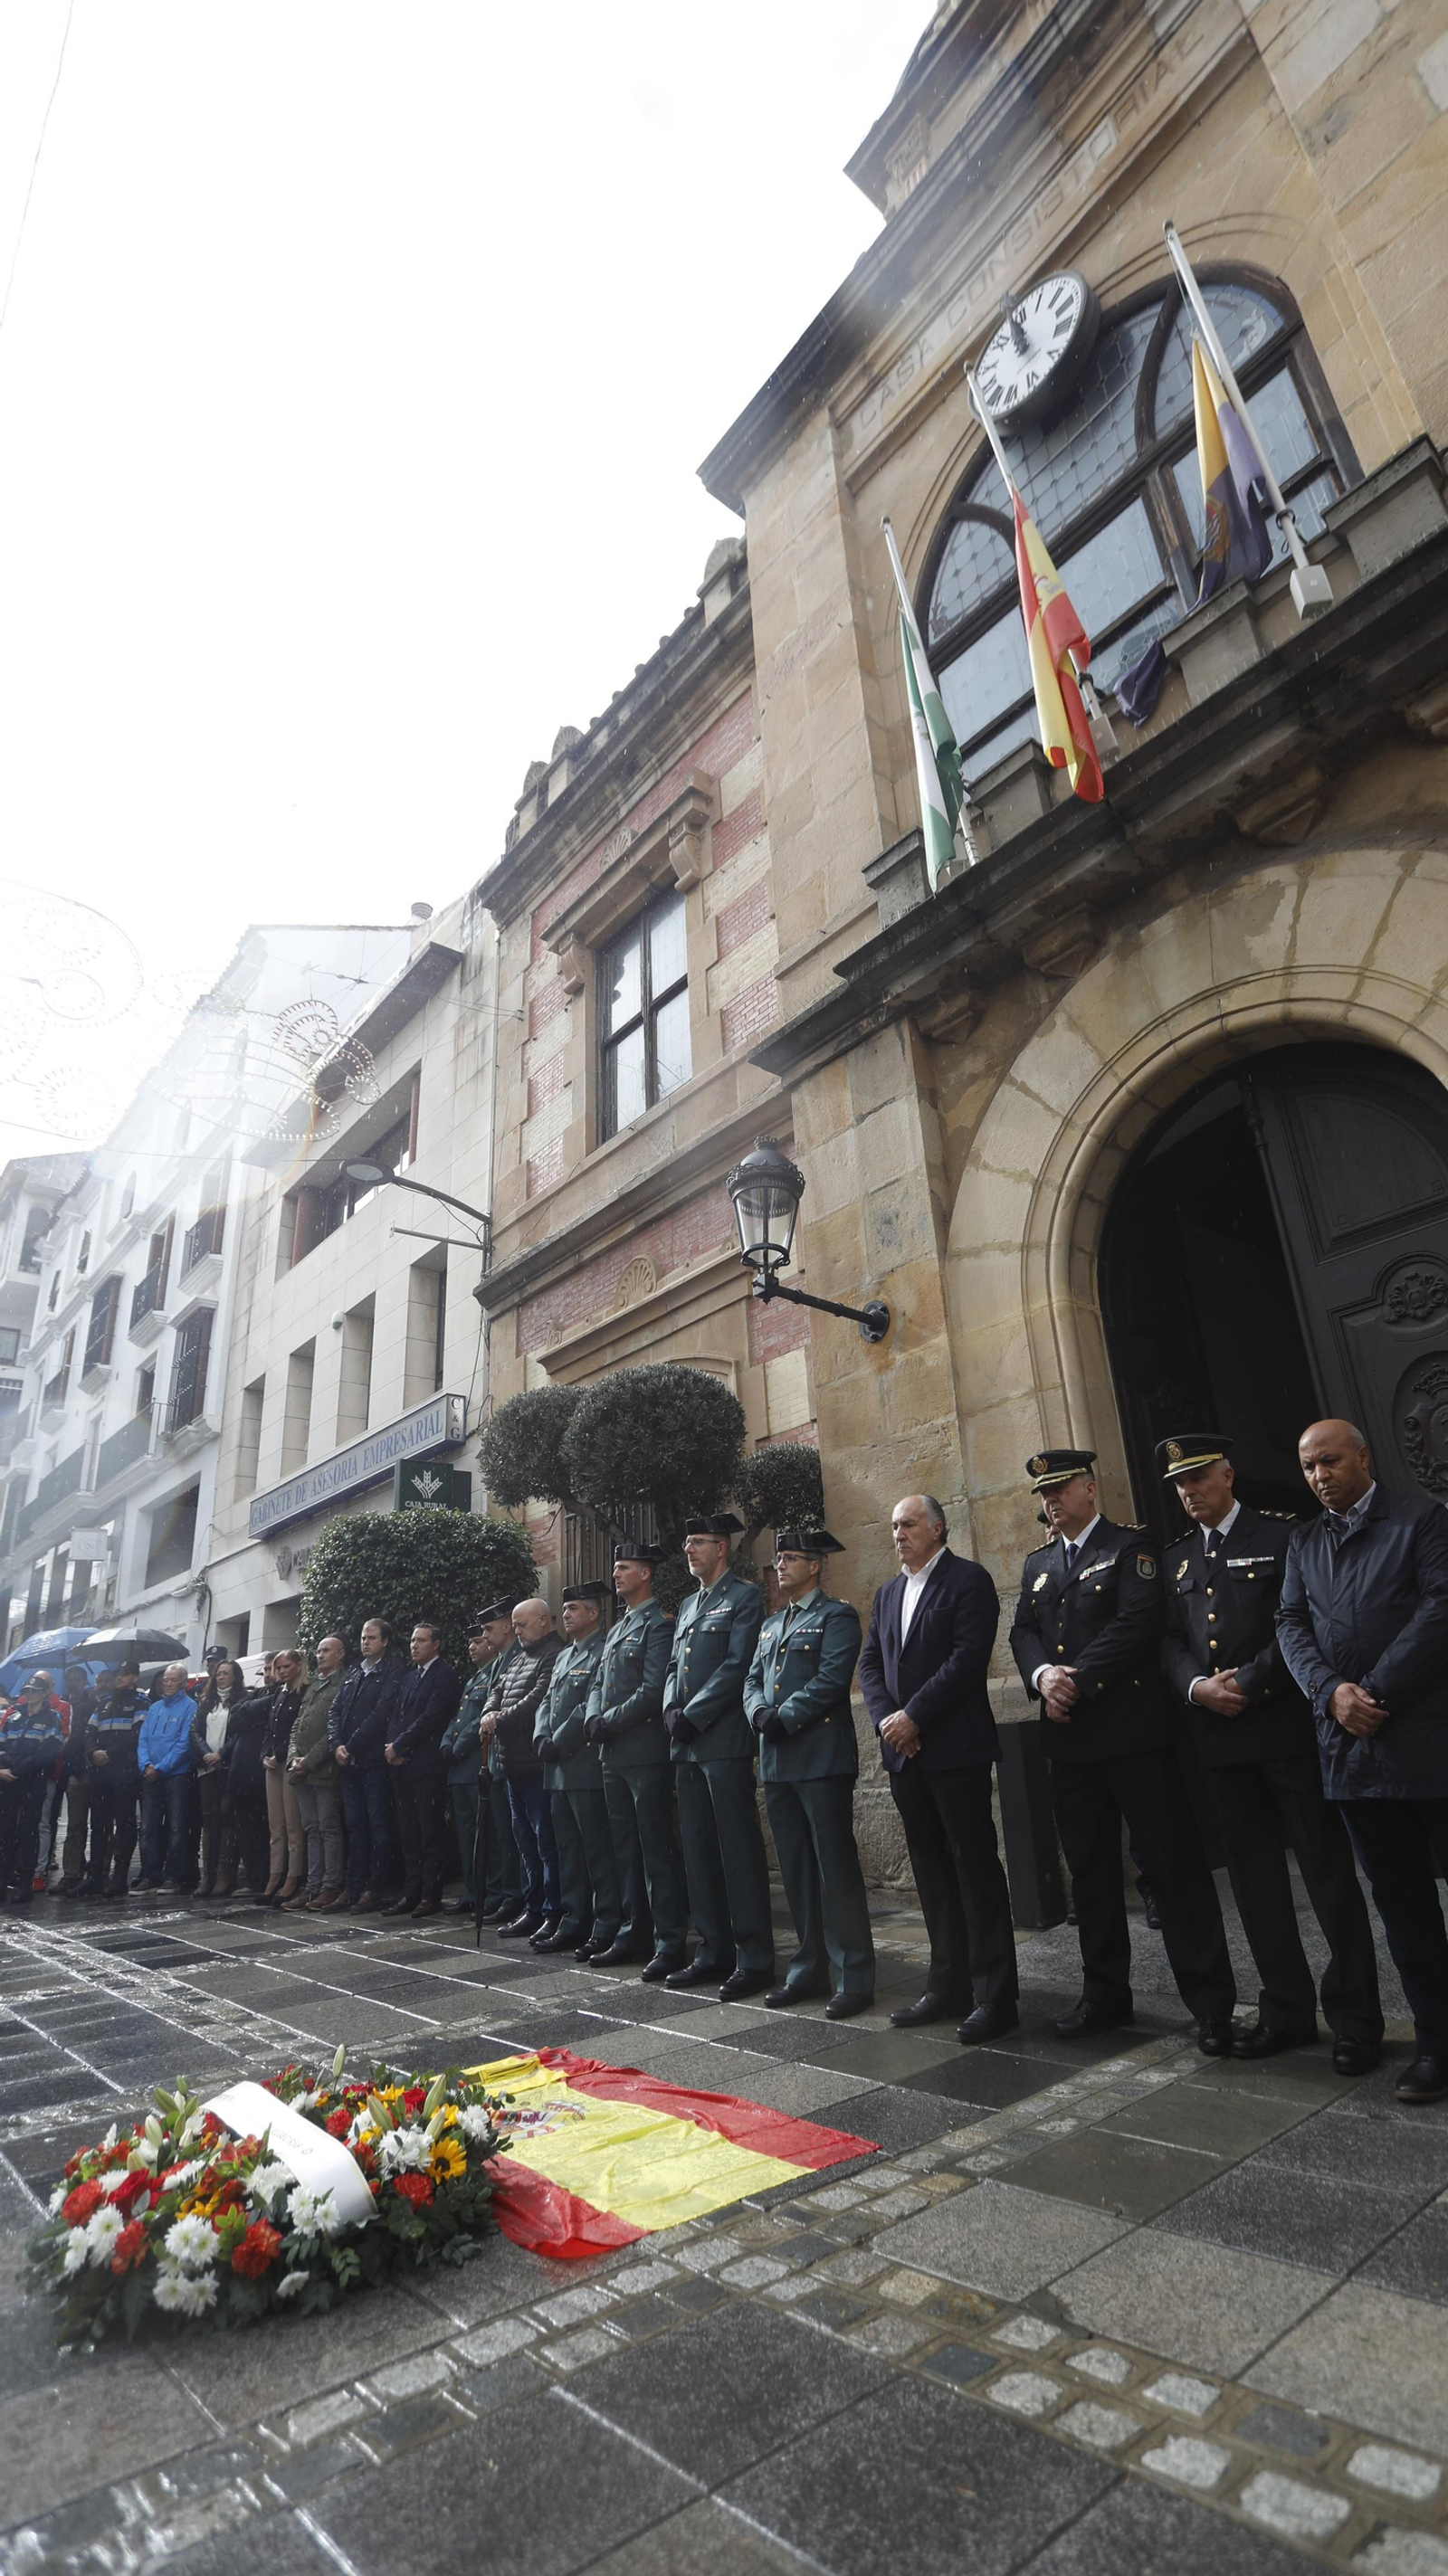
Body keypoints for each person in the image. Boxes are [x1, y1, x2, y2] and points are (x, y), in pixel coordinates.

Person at [1159, 1433, 1381, 2072]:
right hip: (1219, 1740)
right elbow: (1170, 1640)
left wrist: (1248, 1684)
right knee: (1255, 1884)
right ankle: (1285, 2008)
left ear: (1228, 1474)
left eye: (1199, 1477)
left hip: (1284, 1729)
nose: (1189, 1491)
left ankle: (1357, 2016)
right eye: (1180, 1483)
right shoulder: (1176, 1558)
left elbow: (1302, 1624)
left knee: (1327, 1874)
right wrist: (1198, 1686)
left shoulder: (1283, 1536)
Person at [1008, 1449, 1236, 2049]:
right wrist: (1041, 1679)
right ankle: (1105, 1994)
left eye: (1059, 1489)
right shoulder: (1038, 1563)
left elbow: (1136, 1624)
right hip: (1070, 1743)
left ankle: (1211, 2003)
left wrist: (1074, 1678)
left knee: (1173, 1868)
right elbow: (1023, 1631)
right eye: (1042, 1494)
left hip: (1135, 1738)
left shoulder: (1129, 1549)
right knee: (1091, 1876)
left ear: (1089, 1488)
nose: (1050, 1502)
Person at [1277, 1417, 1448, 2105]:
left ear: (1363, 1457)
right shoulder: (1303, 1540)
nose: (1320, 1476)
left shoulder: (1422, 1519)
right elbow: (1289, 1623)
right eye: (1309, 1467)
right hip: (1352, 1755)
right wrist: (1329, 1691)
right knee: (1404, 1909)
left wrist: (1373, 1690)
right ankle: (1438, 2043)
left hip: (1427, 1742)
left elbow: (1441, 1607)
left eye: (1330, 1461)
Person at [859, 1494, 1016, 2043]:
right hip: (903, 1755)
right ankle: (947, 1984)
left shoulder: (968, 1580)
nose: (898, 1534)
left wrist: (914, 1717)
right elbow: (871, 1662)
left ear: (937, 1528)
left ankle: (996, 1995)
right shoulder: (886, 1593)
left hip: (954, 1749)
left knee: (974, 1869)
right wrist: (886, 1721)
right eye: (894, 1526)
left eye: (909, 1524)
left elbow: (968, 1659)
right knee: (930, 1870)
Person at [747, 1527, 874, 2019]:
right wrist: (758, 1712)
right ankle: (808, 1968)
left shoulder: (836, 1616)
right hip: (778, 1761)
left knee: (834, 1868)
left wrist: (784, 1716)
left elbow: (832, 1678)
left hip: (820, 1758)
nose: (781, 1566)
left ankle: (853, 1976)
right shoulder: (772, 1624)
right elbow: (752, 1679)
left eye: (791, 1558)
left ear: (815, 1566)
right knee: (797, 1870)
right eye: (779, 1559)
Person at [663, 1513, 773, 2000]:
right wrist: (670, 1707)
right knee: (698, 1851)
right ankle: (712, 1950)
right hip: (685, 1745)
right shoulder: (688, 1604)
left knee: (736, 1851)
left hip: (722, 1742)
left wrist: (695, 1714)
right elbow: (673, 1665)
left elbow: (737, 1664)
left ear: (722, 1548)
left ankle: (753, 1957)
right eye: (687, 1542)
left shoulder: (744, 1596)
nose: (689, 1549)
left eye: (698, 1542)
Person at [585, 1540, 685, 1980]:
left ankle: (669, 1940)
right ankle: (632, 1931)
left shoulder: (658, 1626)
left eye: (624, 1567)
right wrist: (592, 1717)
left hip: (643, 1754)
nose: (617, 1573)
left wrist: (607, 1721)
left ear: (645, 1574)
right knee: (625, 1850)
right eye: (616, 1566)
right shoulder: (618, 1627)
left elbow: (651, 1691)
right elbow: (597, 1683)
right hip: (613, 1755)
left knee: (654, 1849)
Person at [534, 1583, 620, 1958]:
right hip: (557, 1769)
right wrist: (540, 1735)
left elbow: (589, 1702)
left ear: (594, 1613)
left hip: (582, 1764)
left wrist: (560, 1741)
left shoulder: (603, 1651)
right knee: (568, 1851)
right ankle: (573, 1922)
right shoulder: (565, 1655)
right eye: (564, 1608)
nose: (566, 1614)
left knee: (596, 1853)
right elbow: (546, 1702)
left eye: (574, 1608)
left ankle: (604, 1926)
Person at [480, 1600, 562, 1940]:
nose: (517, 1631)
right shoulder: (518, 1657)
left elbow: (537, 1701)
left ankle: (553, 1911)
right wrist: (488, 1712)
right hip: (511, 1765)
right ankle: (534, 1908)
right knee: (525, 1844)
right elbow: (496, 1691)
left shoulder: (553, 1653)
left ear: (543, 1621)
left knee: (546, 1845)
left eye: (522, 1624)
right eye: (514, 1625)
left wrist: (498, 1720)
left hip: (535, 1766)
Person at [384, 1621, 462, 1918]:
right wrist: (392, 1747)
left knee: (430, 1832)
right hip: (402, 1764)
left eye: (421, 1641)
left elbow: (431, 1718)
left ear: (436, 1644)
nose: (414, 1645)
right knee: (408, 1832)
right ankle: (411, 1891)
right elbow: (396, 1715)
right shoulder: (409, 1678)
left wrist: (400, 1746)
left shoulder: (444, 1675)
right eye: (412, 1641)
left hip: (427, 1764)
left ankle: (431, 1894)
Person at [329, 1618, 403, 1911]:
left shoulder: (392, 1669)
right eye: (363, 1637)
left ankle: (373, 1888)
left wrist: (353, 1744)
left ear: (384, 1641)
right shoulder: (354, 1671)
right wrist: (336, 1744)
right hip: (349, 1762)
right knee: (354, 1826)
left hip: (372, 1760)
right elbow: (335, 1709)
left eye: (372, 1638)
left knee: (378, 1826)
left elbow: (381, 1711)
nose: (365, 1642)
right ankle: (352, 1887)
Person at [469, 1601, 527, 1923]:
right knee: (503, 1834)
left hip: (512, 1758)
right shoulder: (499, 1661)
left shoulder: (518, 1656)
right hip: (495, 1760)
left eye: (490, 1628)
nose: (485, 1635)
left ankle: (516, 1896)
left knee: (515, 1837)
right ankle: (509, 1894)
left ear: (507, 1626)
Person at [286, 1637, 348, 1911]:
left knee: (328, 1827)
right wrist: (292, 1757)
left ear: (341, 1654)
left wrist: (308, 1761)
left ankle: (330, 1886)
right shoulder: (313, 1686)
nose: (320, 1656)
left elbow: (333, 1730)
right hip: (301, 1770)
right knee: (311, 1829)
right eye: (319, 1651)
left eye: (326, 1651)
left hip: (324, 1769)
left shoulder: (343, 1683)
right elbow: (298, 1724)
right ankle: (312, 1887)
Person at [0, 1669, 68, 1904]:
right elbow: (1, 1746)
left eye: (35, 1691)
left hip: (33, 1781)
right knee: (6, 1832)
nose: (30, 1695)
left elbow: (48, 1751)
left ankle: (25, 1885)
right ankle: (3, 1882)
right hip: (8, 1782)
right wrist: (4, 1769)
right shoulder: (12, 1717)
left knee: (28, 1832)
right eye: (27, 1691)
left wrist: (17, 1769)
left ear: (45, 1693)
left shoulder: (52, 1718)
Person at [136, 1663, 197, 1895]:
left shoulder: (191, 1707)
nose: (167, 1684)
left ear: (183, 1682)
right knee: (148, 1827)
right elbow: (143, 1739)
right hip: (151, 1775)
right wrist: (145, 1765)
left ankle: (173, 1876)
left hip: (176, 1776)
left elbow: (184, 1744)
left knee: (176, 1828)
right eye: (165, 1680)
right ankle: (149, 1874)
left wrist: (160, 1768)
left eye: (172, 1680)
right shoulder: (154, 1708)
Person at [85, 1659, 145, 1896]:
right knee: (98, 1825)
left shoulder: (142, 1703)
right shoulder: (105, 1703)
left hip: (125, 1772)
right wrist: (92, 1752)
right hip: (101, 1772)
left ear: (134, 1678)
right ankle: (95, 1877)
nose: (120, 1678)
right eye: (118, 1674)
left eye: (125, 1674)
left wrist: (109, 1754)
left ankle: (119, 1877)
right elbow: (88, 1733)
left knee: (125, 1824)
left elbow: (137, 1736)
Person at [440, 1630, 488, 1912]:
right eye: (469, 1641)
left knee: (483, 1836)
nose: (472, 1646)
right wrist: (446, 1742)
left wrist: (457, 1748)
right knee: (466, 1836)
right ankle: (471, 1891)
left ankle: (486, 1893)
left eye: (478, 1640)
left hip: (472, 1764)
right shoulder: (473, 1678)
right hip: (458, 1770)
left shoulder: (493, 1675)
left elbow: (478, 1721)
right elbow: (457, 1719)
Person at [189, 1659, 244, 1897]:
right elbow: (194, 1731)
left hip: (229, 1768)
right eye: (219, 1674)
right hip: (206, 1769)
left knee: (227, 1819)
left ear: (236, 1676)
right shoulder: (205, 1702)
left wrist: (221, 1754)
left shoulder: (243, 1701)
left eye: (226, 1674)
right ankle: (207, 1877)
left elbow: (239, 1733)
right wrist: (206, 1754)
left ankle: (224, 1876)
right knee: (208, 1822)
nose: (221, 1677)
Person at [261, 1649, 307, 1905]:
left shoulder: (303, 1692)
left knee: (293, 1825)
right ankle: (275, 1872)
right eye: (278, 1668)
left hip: (288, 1763)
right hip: (272, 1764)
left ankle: (293, 1875)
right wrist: (265, 1754)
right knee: (275, 1825)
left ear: (299, 1666)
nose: (281, 1672)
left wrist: (279, 1755)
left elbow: (295, 1730)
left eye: (286, 1667)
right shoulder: (280, 1692)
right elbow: (270, 1727)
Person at [219, 1672, 272, 1899]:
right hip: (242, 1776)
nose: (270, 1674)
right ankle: (253, 1877)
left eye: (276, 1668)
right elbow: (235, 1720)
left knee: (266, 1831)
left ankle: (266, 1878)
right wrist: (253, 1715)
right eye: (267, 1670)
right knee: (245, 1831)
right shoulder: (257, 1694)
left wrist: (252, 1715)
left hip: (263, 1775)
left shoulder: (281, 1696)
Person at [58, 1663, 97, 1896]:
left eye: (76, 1678)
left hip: (90, 1768)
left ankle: (97, 1868)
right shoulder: (64, 1705)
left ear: (84, 1680)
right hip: (70, 1769)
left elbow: (88, 1736)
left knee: (99, 1823)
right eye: (69, 1678)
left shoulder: (92, 1704)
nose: (73, 1682)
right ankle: (72, 1871)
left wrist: (86, 1762)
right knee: (75, 1824)